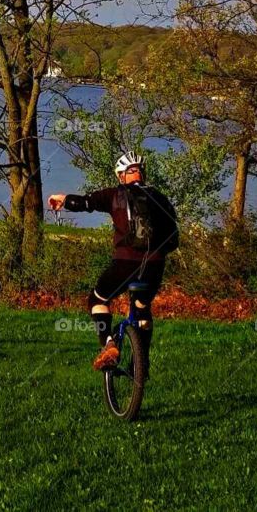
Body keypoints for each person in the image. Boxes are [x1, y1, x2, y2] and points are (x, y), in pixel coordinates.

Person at [47, 154, 179, 371]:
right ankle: (142, 361)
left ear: (121, 175)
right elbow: (173, 236)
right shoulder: (160, 198)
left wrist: (63, 199)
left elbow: (86, 202)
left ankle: (108, 343)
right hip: (155, 265)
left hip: (124, 263)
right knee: (142, 308)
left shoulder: (114, 194)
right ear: (142, 173)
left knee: (97, 300)